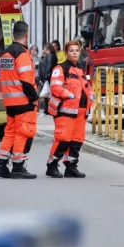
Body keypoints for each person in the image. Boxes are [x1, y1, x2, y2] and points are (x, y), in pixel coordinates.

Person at [0, 21, 40, 179]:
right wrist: (34, 98)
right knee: (23, 133)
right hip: (23, 101)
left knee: (10, 133)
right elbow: (26, 80)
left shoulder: (6, 53)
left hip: (9, 101)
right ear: (27, 35)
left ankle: (0, 165)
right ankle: (18, 167)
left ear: (13, 34)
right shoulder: (22, 54)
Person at [45, 39, 92, 179]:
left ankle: (71, 167)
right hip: (65, 111)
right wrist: (69, 95)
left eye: (77, 50)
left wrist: (92, 96)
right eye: (72, 51)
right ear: (66, 53)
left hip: (80, 112)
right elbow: (55, 87)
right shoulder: (60, 68)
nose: (75, 53)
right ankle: (52, 166)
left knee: (77, 140)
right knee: (63, 139)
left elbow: (86, 87)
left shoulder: (79, 70)